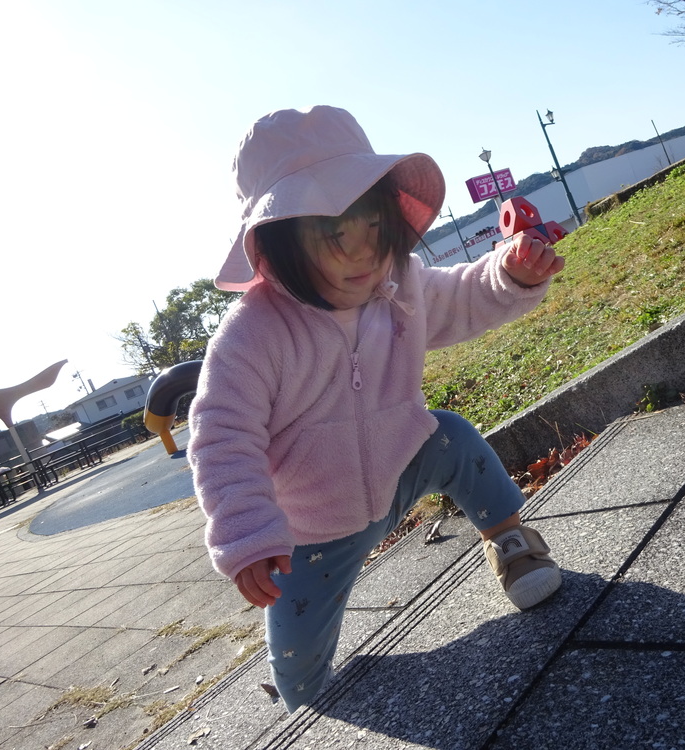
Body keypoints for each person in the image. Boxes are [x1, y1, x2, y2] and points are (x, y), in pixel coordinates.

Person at [187, 105, 566, 713]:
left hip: (399, 467)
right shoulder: (253, 335)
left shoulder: (400, 281)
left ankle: (511, 541)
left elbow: (466, 293)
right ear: (279, 241)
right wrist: (250, 536)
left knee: (449, 435)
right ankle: (303, 686)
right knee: (302, 687)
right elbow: (221, 435)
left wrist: (512, 274)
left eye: (372, 225)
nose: (362, 254)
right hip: (311, 531)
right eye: (333, 234)